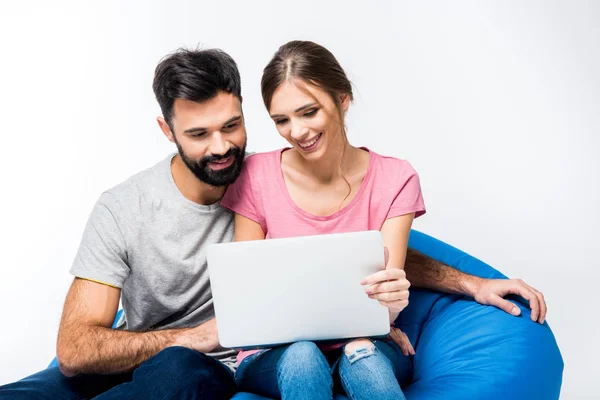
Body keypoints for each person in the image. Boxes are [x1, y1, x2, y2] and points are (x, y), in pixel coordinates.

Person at [0, 46, 547, 400]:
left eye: (232, 126)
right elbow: (73, 353)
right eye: (198, 135)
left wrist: (470, 283)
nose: (221, 147)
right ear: (167, 132)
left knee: (185, 374)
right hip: (174, 355)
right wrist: (201, 335)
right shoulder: (126, 208)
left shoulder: (266, 175)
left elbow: (363, 252)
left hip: (224, 365)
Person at [220, 40, 548, 400]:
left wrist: (385, 309)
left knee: (365, 356)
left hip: (368, 340)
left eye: (309, 112)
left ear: (342, 99)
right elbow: (248, 296)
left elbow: (387, 293)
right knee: (303, 356)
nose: (297, 131)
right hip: (276, 352)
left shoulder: (395, 178)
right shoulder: (255, 175)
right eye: (282, 120)